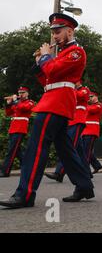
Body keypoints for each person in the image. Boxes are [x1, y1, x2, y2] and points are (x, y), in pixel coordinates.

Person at [0, 13, 94, 208]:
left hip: (57, 102)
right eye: (53, 33)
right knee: (66, 149)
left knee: (36, 148)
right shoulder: (60, 54)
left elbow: (52, 71)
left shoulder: (76, 52)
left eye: (58, 32)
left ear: (70, 31)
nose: (55, 36)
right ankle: (84, 186)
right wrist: (39, 62)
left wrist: (45, 57)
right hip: (53, 99)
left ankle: (25, 194)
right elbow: (47, 80)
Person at [45, 81, 92, 182]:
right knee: (79, 150)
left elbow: (78, 96)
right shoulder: (73, 90)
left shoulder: (84, 90)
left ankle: (59, 173)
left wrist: (69, 89)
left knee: (68, 148)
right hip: (71, 121)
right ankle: (87, 172)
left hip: (78, 120)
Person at [0, 86, 35, 177]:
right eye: (19, 93)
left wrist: (15, 101)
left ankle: (5, 171)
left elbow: (24, 108)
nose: (20, 94)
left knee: (11, 150)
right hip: (13, 128)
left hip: (20, 129)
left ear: (27, 93)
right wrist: (8, 104)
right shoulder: (17, 103)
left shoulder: (30, 102)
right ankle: (29, 168)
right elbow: (8, 113)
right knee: (17, 151)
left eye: (23, 92)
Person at [82, 91, 102, 174]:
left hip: (92, 131)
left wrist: (84, 103)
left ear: (96, 97)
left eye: (91, 96)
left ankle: (86, 170)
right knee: (87, 151)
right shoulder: (89, 105)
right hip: (85, 131)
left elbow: (91, 110)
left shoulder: (99, 105)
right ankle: (97, 165)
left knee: (86, 152)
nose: (90, 98)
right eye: (89, 97)